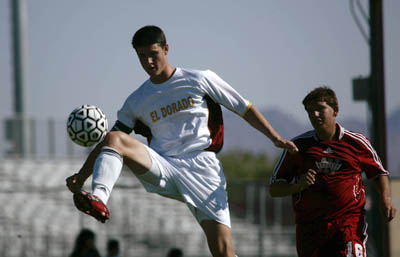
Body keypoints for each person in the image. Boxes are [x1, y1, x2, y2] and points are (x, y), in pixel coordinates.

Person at [66, 25, 298, 257]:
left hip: (203, 169)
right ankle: (99, 198)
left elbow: (243, 108)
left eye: (153, 54)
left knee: (223, 251)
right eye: (141, 56)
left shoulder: (200, 79)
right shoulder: (136, 101)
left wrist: (275, 137)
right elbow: (108, 144)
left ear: (166, 49)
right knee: (115, 138)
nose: (148, 61)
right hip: (164, 166)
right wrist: (81, 175)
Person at [269, 86, 396, 257]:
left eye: (320, 108)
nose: (315, 115)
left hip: (348, 225)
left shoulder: (356, 143)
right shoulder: (297, 147)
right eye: (310, 111)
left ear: (335, 110)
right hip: (310, 230)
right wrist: (297, 186)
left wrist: (385, 199)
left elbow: (378, 173)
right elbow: (274, 187)